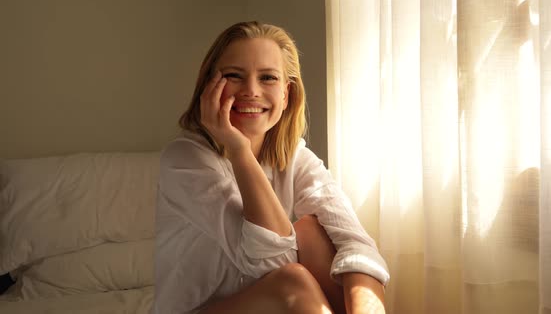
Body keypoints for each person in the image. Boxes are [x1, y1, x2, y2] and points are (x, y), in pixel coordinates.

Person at [153, 21, 390, 314]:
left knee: (313, 232)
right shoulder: (184, 160)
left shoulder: (296, 159)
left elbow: (358, 247)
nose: (251, 91)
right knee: (292, 280)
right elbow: (267, 262)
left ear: (286, 94)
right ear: (209, 88)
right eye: (234, 76)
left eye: (267, 77)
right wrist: (239, 151)